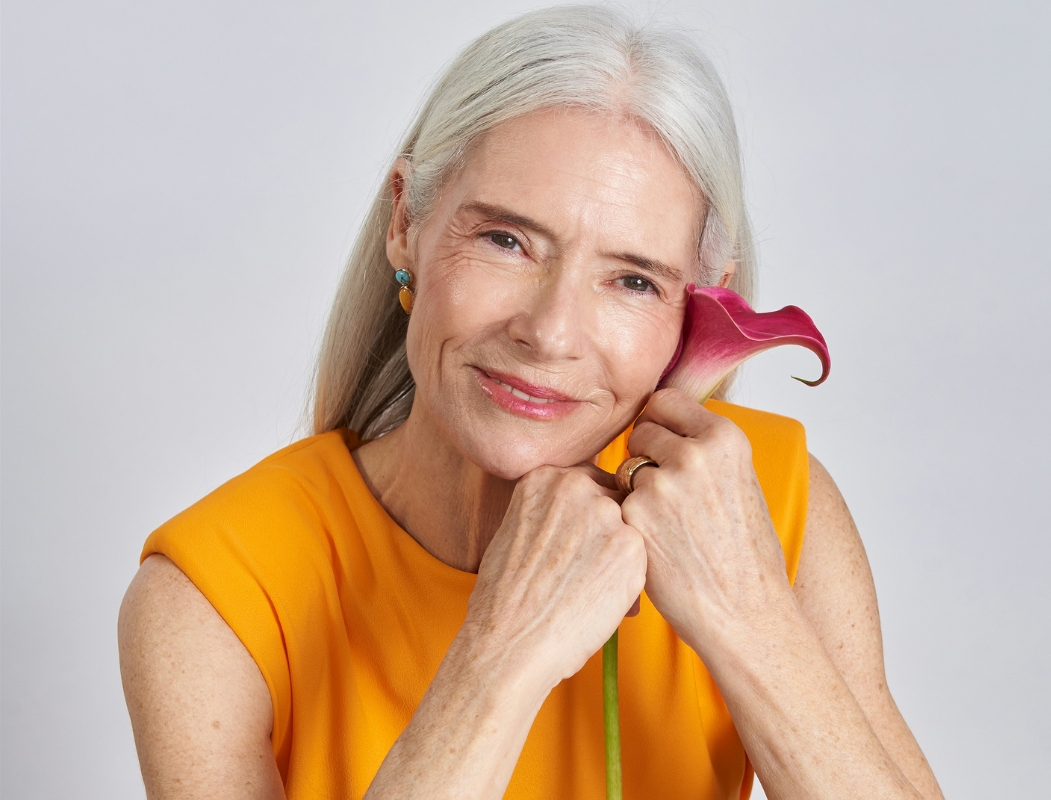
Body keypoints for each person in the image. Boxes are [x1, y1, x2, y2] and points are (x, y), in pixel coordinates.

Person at [118, 6, 944, 799]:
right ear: (405, 219)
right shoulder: (215, 595)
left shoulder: (770, 504)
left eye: (631, 279)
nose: (551, 333)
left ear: (697, 302)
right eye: (506, 240)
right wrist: (500, 655)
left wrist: (750, 616)